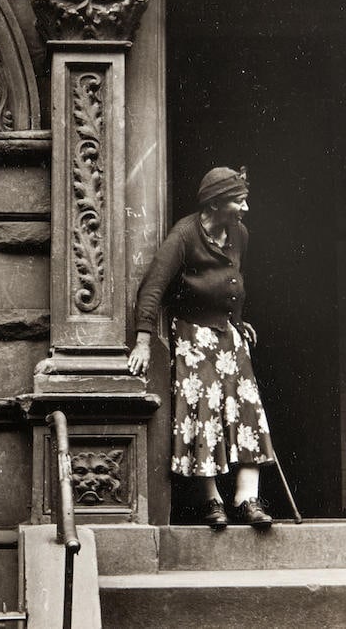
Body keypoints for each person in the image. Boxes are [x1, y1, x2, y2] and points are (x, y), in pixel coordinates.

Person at [127, 166, 275, 530]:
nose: (245, 208)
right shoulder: (184, 234)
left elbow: (232, 280)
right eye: (239, 201)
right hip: (193, 335)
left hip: (228, 334)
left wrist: (237, 320)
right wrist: (143, 339)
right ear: (215, 204)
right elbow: (152, 287)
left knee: (247, 408)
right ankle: (211, 499)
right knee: (203, 410)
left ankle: (247, 497)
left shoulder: (238, 234)